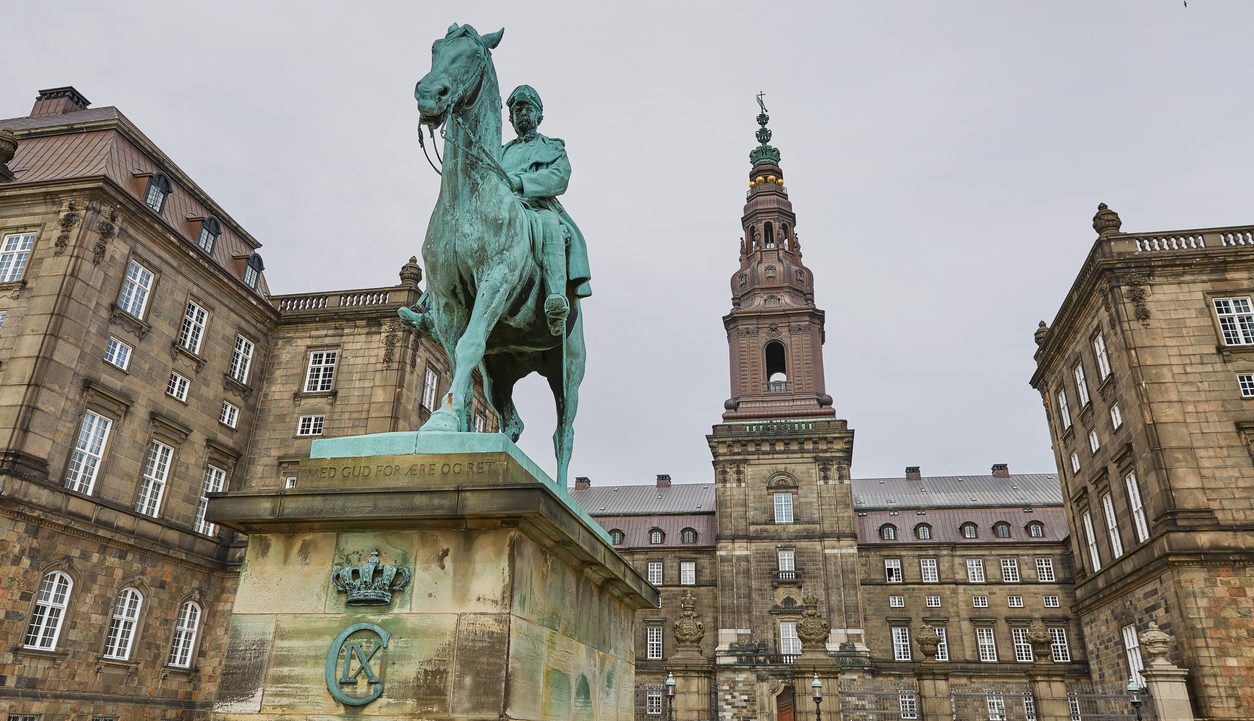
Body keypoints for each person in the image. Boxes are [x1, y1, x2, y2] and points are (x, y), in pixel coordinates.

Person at [501, 84, 591, 335]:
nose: (521, 115)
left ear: (540, 115)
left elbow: (559, 178)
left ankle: (555, 299)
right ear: (510, 118)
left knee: (551, 225)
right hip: (501, 210)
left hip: (536, 208)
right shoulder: (501, 151)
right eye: (516, 111)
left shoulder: (552, 148)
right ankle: (432, 304)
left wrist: (521, 182)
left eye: (527, 109)